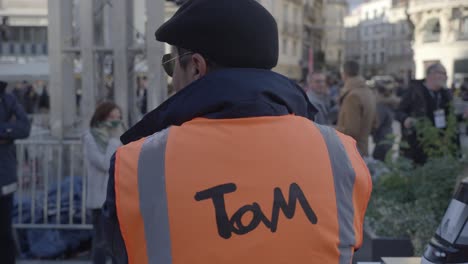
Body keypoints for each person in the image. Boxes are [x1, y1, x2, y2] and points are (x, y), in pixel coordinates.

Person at [102, 1, 372, 263]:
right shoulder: (340, 154)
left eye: (171, 65)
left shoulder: (138, 164)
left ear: (196, 67)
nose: (172, 79)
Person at [83, 102, 123, 264]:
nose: (115, 121)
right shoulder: (90, 137)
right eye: (112, 117)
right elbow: (106, 164)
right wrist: (114, 140)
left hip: (117, 197)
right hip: (99, 200)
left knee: (117, 244)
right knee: (100, 243)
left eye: (118, 117)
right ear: (102, 116)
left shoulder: (119, 135)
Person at [396, 63, 452, 164]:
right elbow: (399, 111)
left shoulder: (446, 94)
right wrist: (405, 119)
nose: (445, 77)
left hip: (439, 144)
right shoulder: (415, 90)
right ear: (430, 74)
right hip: (416, 143)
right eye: (442, 73)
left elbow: (451, 116)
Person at [0, 80, 31, 264]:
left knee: (4, 232)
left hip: (4, 178)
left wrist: (2, 131)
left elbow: (24, 127)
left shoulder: (7, 99)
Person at [337, 61, 377, 157]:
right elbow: (375, 123)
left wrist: (329, 129)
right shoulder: (368, 92)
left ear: (344, 74)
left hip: (352, 152)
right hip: (363, 148)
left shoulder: (352, 96)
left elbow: (351, 131)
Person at [372, 84, 399, 161]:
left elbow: (377, 124)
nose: (373, 95)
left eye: (374, 93)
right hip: (388, 137)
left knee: (378, 161)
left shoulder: (381, 106)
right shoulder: (388, 104)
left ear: (379, 94)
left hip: (382, 139)